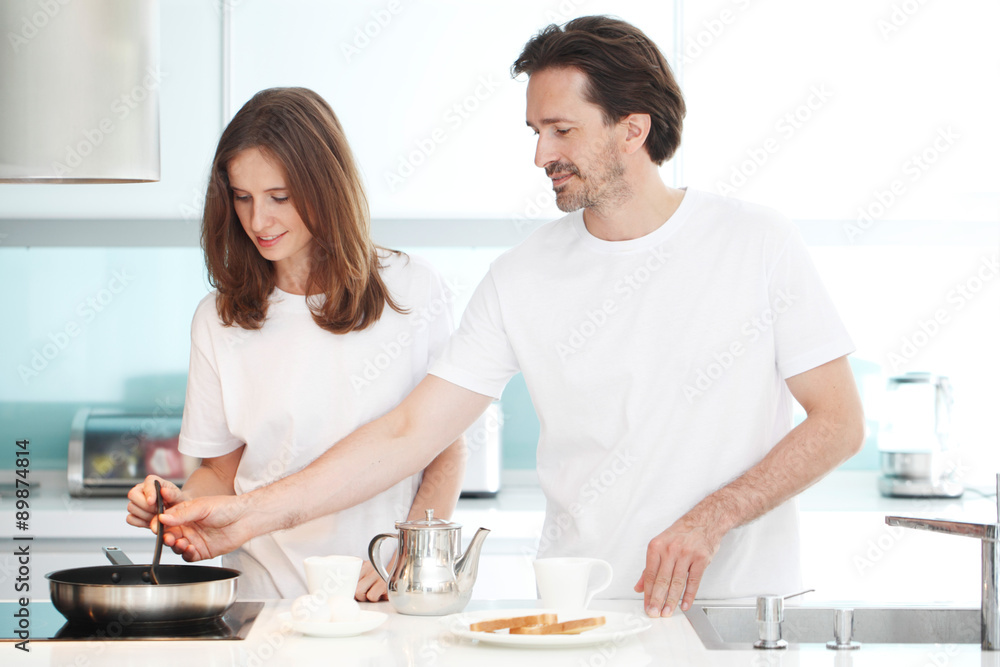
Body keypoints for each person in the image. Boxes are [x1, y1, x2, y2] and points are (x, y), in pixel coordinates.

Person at [148, 18, 865, 617]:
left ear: (632, 129)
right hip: (581, 609)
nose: (539, 154)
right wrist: (247, 514)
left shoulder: (755, 241)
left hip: (739, 609)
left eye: (559, 130)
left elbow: (838, 421)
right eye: (534, 129)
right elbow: (407, 433)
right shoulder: (521, 277)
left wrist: (712, 518)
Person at [125, 87, 466, 600]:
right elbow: (221, 469)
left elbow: (445, 440)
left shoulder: (412, 289)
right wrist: (181, 502)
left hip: (380, 593)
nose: (258, 221)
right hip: (265, 596)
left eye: (279, 198)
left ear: (325, 186)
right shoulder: (218, 319)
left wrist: (408, 552)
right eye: (242, 197)